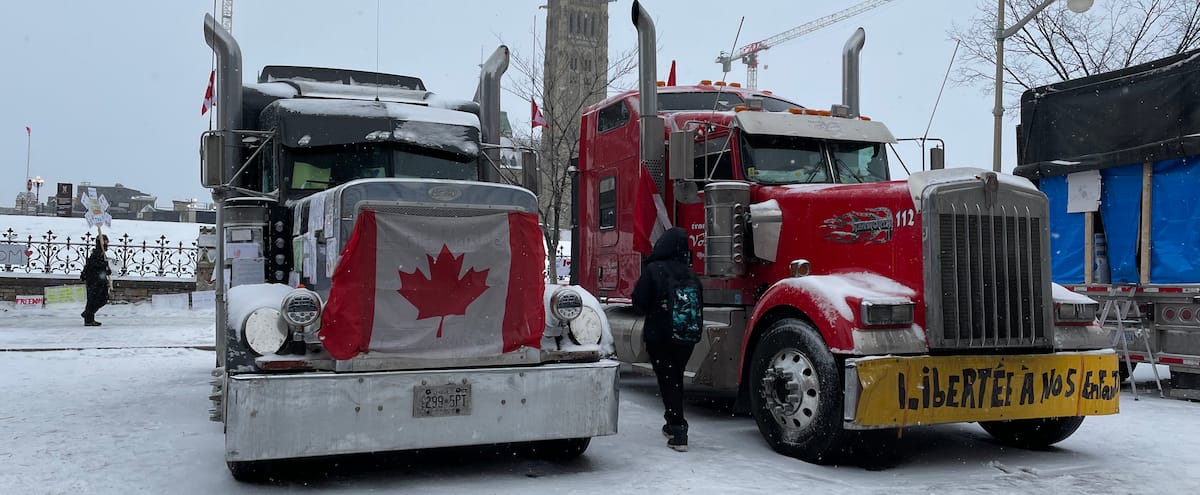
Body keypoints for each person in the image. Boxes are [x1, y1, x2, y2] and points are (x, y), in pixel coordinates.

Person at [631, 227, 704, 452]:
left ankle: (678, 429)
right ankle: (672, 422)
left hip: (660, 334)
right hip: (687, 335)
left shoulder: (653, 270)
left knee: (667, 379)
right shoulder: (691, 274)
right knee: (675, 378)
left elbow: (639, 301)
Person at [80, 234, 111, 327]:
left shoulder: (100, 253)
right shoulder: (98, 253)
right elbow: (94, 267)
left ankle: (88, 315)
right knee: (97, 299)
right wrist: (105, 269)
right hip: (95, 280)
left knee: (96, 299)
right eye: (106, 242)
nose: (107, 244)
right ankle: (88, 316)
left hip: (97, 279)